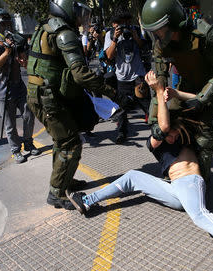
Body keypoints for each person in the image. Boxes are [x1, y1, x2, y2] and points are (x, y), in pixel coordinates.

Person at [67, 71, 213, 271]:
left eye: (174, 129)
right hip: (175, 190)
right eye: (168, 132)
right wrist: (157, 90)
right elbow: (163, 127)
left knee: (201, 215)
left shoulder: (185, 132)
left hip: (190, 183)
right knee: (133, 176)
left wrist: (175, 93)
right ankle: (87, 200)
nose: (171, 135)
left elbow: (203, 101)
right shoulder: (154, 141)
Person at [26, 0, 129, 209]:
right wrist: (112, 94)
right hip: (49, 97)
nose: (82, 18)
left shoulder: (46, 27)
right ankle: (56, 193)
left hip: (42, 94)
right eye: (79, 13)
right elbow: (81, 73)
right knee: (70, 143)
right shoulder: (64, 33)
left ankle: (65, 180)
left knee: (62, 140)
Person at [141, 0, 213, 182]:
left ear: (174, 23)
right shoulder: (160, 43)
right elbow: (159, 82)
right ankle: (176, 168)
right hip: (184, 87)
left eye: (160, 30)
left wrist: (202, 99)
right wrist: (154, 119)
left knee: (203, 135)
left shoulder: (205, 35)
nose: (157, 36)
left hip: (208, 90)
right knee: (167, 129)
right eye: (154, 31)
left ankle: (201, 178)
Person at [0, 8, 40, 164]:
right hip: (3, 90)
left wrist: (24, 60)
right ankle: (16, 150)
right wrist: (7, 51)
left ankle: (28, 142)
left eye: (8, 23)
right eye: (2, 24)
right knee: (10, 125)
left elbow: (24, 61)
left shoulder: (15, 40)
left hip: (19, 87)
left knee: (29, 115)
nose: (6, 27)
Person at [104, 12, 148, 144]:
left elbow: (144, 47)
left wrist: (135, 36)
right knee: (121, 107)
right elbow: (109, 56)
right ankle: (122, 132)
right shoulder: (110, 34)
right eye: (121, 23)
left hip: (137, 76)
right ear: (114, 24)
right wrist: (115, 39)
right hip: (121, 77)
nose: (125, 26)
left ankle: (157, 129)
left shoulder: (136, 30)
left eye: (127, 22)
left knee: (146, 104)